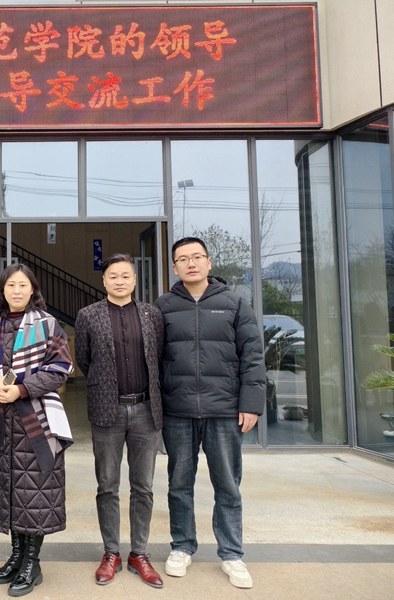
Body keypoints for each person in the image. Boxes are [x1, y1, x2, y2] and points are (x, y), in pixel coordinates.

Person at [154, 236, 265, 589]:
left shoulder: (234, 303)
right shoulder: (163, 306)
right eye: (183, 259)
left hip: (224, 410)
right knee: (179, 484)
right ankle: (182, 546)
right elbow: (152, 359)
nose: (191, 263)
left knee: (228, 485)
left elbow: (253, 355)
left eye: (197, 257)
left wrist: (251, 403)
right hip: (178, 409)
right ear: (174, 267)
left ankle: (231, 554)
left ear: (209, 262)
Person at [0, 263, 74, 598]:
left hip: (36, 423)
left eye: (22, 285)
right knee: (10, 491)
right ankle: (16, 557)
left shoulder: (47, 325)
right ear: (2, 290)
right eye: (10, 285)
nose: (16, 291)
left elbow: (60, 368)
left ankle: (33, 563)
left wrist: (21, 389)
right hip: (1, 421)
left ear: (32, 289)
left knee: (35, 493)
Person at [74, 253, 165, 588]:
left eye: (126, 275)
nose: (120, 281)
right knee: (107, 485)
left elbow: (158, 356)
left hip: (146, 410)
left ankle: (139, 553)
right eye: (113, 276)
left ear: (135, 279)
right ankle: (111, 552)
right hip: (106, 410)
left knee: (143, 486)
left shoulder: (152, 315)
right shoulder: (88, 315)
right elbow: (84, 359)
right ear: (104, 281)